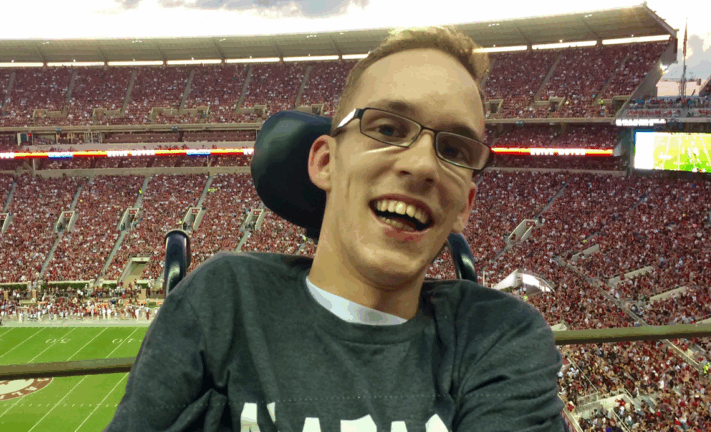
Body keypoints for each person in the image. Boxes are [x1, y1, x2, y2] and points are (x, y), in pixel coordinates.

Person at [105, 26, 565, 432]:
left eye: (457, 150)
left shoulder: (499, 335)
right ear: (325, 161)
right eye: (387, 128)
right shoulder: (221, 300)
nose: (423, 164)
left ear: (465, 204)